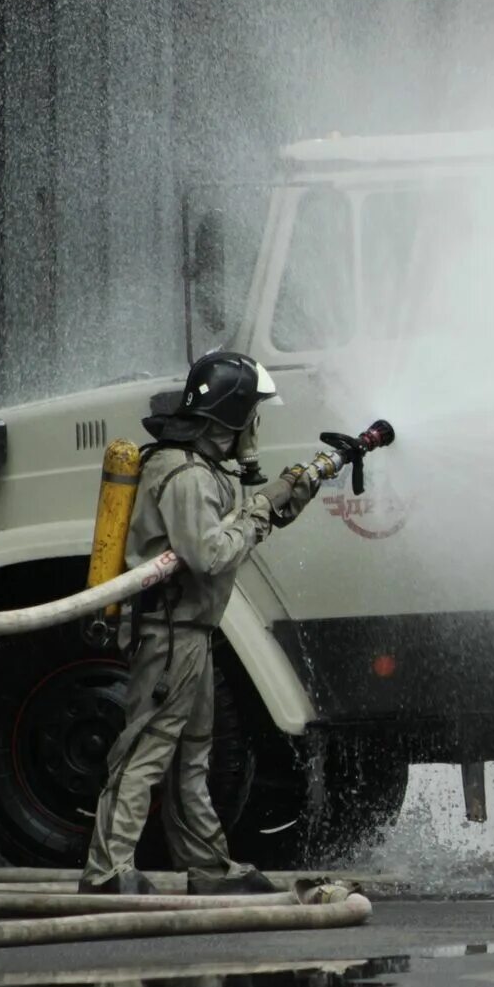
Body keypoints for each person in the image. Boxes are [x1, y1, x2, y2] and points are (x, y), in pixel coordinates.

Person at [80, 351, 322, 896]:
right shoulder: (186, 475)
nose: (256, 427)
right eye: (253, 413)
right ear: (232, 417)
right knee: (145, 749)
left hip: (191, 634)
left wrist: (283, 499)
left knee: (191, 755)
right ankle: (106, 871)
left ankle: (207, 868)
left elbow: (233, 524)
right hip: (171, 636)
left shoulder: (204, 470)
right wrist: (261, 513)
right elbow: (209, 554)